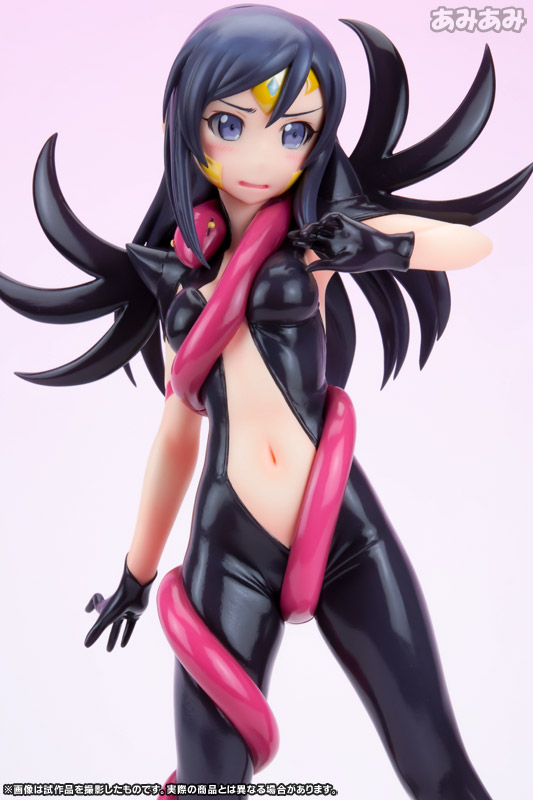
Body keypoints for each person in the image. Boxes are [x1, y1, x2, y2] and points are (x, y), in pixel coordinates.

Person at [0, 5, 530, 798]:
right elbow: (175, 435)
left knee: (434, 760)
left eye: (292, 131)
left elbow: (467, 242)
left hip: (342, 526)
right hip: (229, 546)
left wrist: (378, 245)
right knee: (210, 782)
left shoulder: (320, 236)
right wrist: (137, 573)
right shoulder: (174, 271)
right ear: (186, 126)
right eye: (229, 124)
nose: (259, 156)